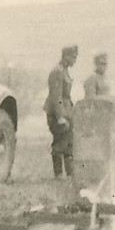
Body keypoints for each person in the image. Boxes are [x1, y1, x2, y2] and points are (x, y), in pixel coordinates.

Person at [43, 45, 78, 177]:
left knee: (68, 143)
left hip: (66, 110)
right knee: (60, 143)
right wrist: (60, 117)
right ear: (66, 56)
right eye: (73, 57)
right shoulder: (57, 72)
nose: (75, 60)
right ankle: (58, 174)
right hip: (58, 113)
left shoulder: (64, 71)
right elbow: (56, 96)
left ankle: (70, 175)